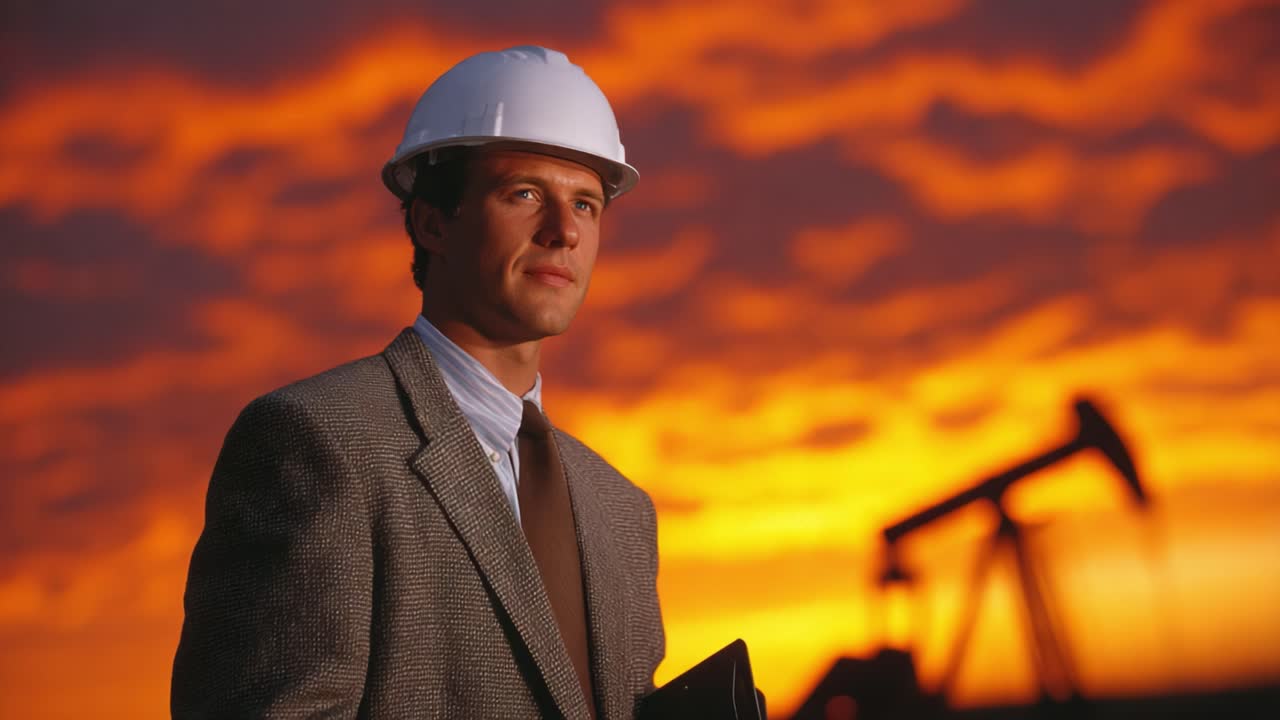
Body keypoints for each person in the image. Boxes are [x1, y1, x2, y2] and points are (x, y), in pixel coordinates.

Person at [171, 46, 665, 719]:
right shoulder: (315, 444)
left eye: (586, 204)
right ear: (433, 221)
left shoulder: (621, 511)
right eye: (524, 193)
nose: (564, 232)